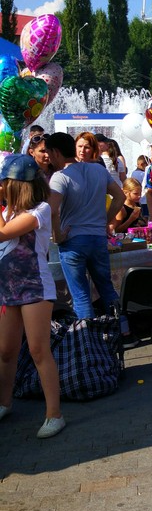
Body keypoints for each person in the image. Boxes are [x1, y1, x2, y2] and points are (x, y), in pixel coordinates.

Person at [0, 154, 65, 438]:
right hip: (7, 289)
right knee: (5, 351)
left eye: (4, 183)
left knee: (39, 351)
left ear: (16, 184)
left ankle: (54, 414)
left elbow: (3, 234)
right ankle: (4, 402)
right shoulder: (7, 212)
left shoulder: (39, 210)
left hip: (35, 288)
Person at [44, 132, 125, 320]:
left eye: (49, 153)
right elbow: (120, 197)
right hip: (97, 239)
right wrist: (104, 220)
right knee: (107, 288)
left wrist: (57, 235)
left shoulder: (60, 176)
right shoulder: (98, 170)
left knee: (81, 296)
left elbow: (53, 210)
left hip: (73, 241)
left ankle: (87, 341)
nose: (48, 158)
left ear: (56, 152)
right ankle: (124, 330)